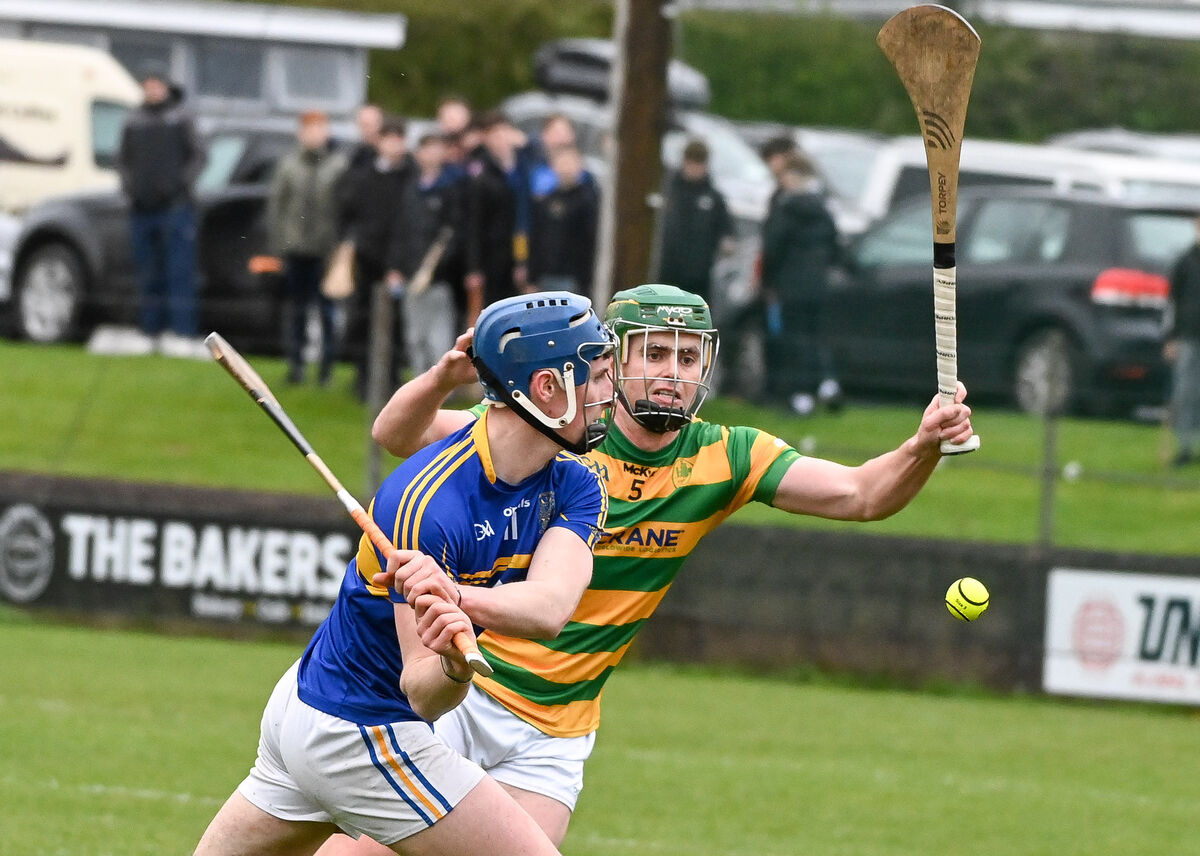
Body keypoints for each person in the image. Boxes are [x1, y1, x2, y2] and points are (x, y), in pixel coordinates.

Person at [319, 283, 974, 854]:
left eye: (688, 358)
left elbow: (862, 495)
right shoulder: (556, 431)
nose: (673, 372)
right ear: (615, 360)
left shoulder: (728, 456)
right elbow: (399, 435)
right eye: (655, 353)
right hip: (471, 691)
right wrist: (443, 377)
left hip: (559, 727)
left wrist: (921, 447)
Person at [193, 291, 616, 856]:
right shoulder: (427, 505)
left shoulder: (575, 483)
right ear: (547, 388)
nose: (611, 393)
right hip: (359, 726)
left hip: (316, 704)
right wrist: (451, 665)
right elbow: (422, 693)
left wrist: (456, 604)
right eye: (598, 375)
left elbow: (549, 609)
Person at [116, 60, 206, 358]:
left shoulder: (182, 117)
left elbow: (198, 156)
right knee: (147, 272)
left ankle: (181, 333)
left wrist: (179, 184)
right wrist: (131, 188)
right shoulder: (134, 120)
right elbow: (122, 160)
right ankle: (149, 331)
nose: (152, 89)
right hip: (142, 208)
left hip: (175, 208)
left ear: (166, 86)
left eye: (157, 84)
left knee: (178, 272)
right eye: (148, 84)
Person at [266, 110, 348, 385]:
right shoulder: (288, 165)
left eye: (319, 129)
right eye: (309, 129)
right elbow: (277, 207)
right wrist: (279, 246)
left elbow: (344, 210)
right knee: (297, 311)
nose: (314, 135)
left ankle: (326, 371)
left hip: (327, 252)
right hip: (296, 250)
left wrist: (340, 250)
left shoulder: (338, 166)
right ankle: (296, 368)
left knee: (327, 313)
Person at [761, 151, 843, 416]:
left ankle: (801, 396)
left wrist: (767, 282)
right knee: (817, 337)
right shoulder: (822, 210)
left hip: (792, 285)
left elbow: (772, 248)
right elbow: (834, 246)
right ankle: (828, 384)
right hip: (819, 285)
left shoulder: (786, 209)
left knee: (795, 340)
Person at [341, 116, 416, 397]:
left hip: (398, 263)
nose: (394, 145)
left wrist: (398, 262)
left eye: (399, 139)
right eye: (389, 139)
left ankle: (392, 377)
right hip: (367, 260)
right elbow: (350, 213)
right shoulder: (364, 176)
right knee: (363, 318)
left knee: (395, 322)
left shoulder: (411, 176)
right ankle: (364, 376)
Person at [391, 133, 464, 376]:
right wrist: (397, 268)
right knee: (414, 337)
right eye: (426, 149)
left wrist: (435, 270)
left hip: (438, 281)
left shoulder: (451, 190)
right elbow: (400, 231)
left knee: (438, 338)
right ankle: (418, 384)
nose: (431, 155)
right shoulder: (411, 189)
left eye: (436, 149)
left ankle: (439, 386)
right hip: (412, 278)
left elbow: (454, 236)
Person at [655, 139, 734, 304]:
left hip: (698, 278)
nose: (695, 169)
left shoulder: (713, 198)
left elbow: (727, 231)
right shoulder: (668, 191)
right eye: (692, 163)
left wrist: (727, 244)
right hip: (666, 273)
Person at [464, 110, 523, 323]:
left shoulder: (521, 166)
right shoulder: (481, 173)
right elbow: (474, 224)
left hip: (517, 254)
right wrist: (474, 267)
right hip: (492, 258)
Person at [527, 145, 599, 296]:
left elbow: (590, 242)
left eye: (570, 161)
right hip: (547, 276)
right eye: (561, 162)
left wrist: (587, 280)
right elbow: (536, 239)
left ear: (580, 165)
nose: (566, 167)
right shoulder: (546, 200)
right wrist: (531, 277)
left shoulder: (589, 200)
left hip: (576, 278)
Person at [1165, 214, 1200, 466]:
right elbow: (1172, 302)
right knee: (1185, 392)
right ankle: (1184, 447)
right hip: (1188, 336)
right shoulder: (1185, 261)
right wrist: (1170, 338)